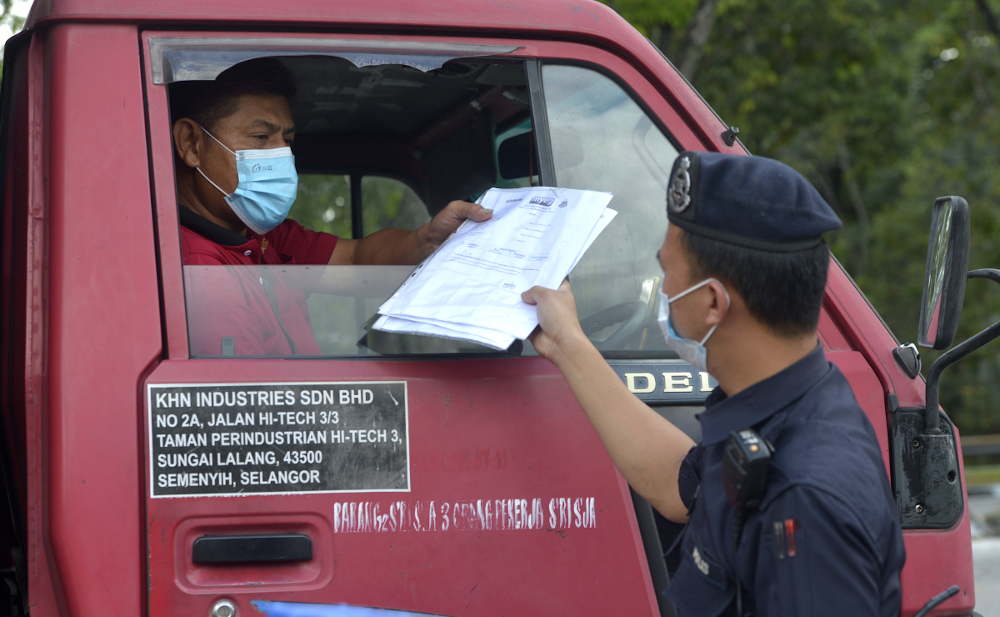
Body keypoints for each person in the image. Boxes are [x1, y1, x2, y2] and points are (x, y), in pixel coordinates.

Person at [521, 152, 905, 616]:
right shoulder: (782, 405)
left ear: (711, 303)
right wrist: (567, 345)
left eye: (666, 273)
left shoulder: (804, 499)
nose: (660, 290)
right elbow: (679, 485)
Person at [170, 58, 492, 356]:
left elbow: (356, 260)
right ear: (191, 143)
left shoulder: (261, 237)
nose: (283, 155)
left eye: (287, 141)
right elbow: (253, 403)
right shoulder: (201, 271)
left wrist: (428, 239)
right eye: (260, 137)